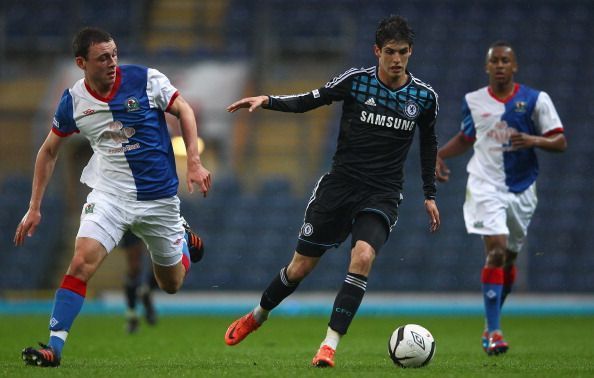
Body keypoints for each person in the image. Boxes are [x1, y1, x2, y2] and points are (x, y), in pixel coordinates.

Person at [224, 15, 440, 368]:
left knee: (363, 257)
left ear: (411, 51)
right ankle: (258, 315)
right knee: (299, 268)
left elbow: (428, 143)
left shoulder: (424, 97)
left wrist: (429, 194)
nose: (396, 59)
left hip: (381, 194)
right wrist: (268, 100)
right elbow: (311, 99)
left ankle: (329, 346)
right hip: (340, 187)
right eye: (389, 52)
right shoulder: (356, 82)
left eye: (402, 52)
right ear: (377, 51)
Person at [14, 27, 211, 367]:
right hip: (109, 196)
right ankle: (54, 347)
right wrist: (34, 207)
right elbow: (48, 152)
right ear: (81, 63)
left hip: (158, 200)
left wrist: (193, 161)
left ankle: (182, 243)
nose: (112, 63)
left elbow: (186, 112)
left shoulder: (146, 80)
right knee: (80, 262)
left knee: (171, 284)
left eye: (114, 55)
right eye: (103, 58)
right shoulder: (74, 102)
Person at [435, 41, 566, 356]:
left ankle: (490, 322)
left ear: (514, 66)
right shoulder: (474, 101)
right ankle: (494, 331)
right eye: (494, 61)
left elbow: (559, 141)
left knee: (508, 259)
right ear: (487, 66)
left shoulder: (536, 100)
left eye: (505, 61)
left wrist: (534, 139)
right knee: (495, 251)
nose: (500, 66)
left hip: (522, 189)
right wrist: (439, 155)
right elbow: (468, 136)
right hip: (485, 185)